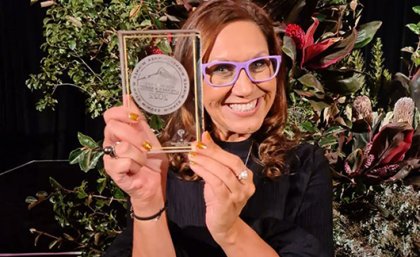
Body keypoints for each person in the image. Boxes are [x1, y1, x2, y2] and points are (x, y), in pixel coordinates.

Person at [102, 0, 333, 256]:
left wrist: (230, 231)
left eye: (258, 64)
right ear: (189, 78)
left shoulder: (304, 164)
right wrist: (148, 203)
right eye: (221, 69)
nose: (246, 88)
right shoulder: (158, 165)